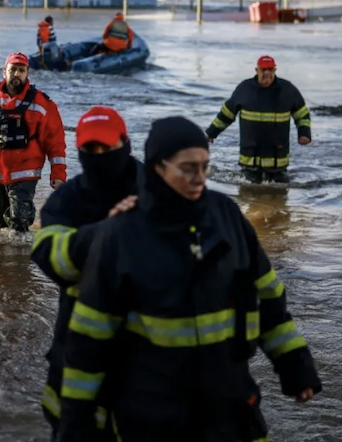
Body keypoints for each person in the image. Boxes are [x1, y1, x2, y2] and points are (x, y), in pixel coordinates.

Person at [56, 116, 322, 442]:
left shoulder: (227, 216)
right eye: (188, 168)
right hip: (152, 417)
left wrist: (295, 365)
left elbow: (268, 298)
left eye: (205, 167)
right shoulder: (120, 235)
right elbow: (88, 341)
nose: (199, 178)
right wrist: (77, 423)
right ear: (157, 167)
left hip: (232, 407)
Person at [31, 106, 143, 439]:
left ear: (125, 143)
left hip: (145, 343)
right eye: (91, 148)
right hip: (78, 338)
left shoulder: (157, 188)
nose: (100, 155)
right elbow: (49, 257)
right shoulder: (66, 201)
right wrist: (105, 233)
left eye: (107, 146)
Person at [0, 52, 67, 231]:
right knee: (1, 226)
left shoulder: (42, 103)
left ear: (27, 73)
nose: (17, 74)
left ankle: (24, 243)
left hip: (25, 171)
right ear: (4, 72)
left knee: (19, 222)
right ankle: (3, 249)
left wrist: (58, 173)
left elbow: (55, 141)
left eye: (21, 70)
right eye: (13, 70)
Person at [205, 55, 312, 184]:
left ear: (275, 70)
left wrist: (304, 133)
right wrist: (211, 133)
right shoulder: (244, 89)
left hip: (277, 159)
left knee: (280, 190)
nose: (267, 73)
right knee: (248, 190)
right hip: (250, 158)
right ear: (257, 70)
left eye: (270, 69)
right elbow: (226, 114)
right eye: (263, 70)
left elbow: (302, 114)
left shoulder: (288, 90)